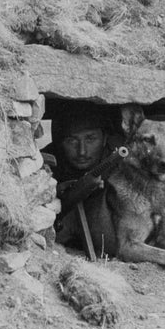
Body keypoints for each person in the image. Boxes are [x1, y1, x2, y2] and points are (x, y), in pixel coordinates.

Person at [49, 107, 115, 249]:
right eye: (72, 140)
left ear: (105, 139)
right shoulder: (47, 162)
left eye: (90, 139)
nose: (82, 151)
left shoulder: (119, 164)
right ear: (60, 143)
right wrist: (54, 192)